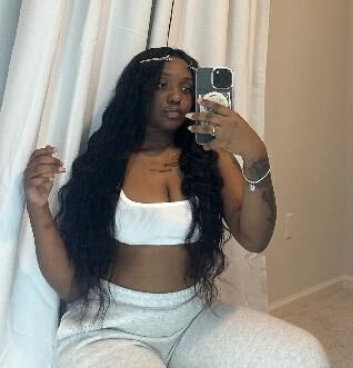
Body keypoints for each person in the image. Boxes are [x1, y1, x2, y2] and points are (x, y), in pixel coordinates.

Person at [24, 47, 329, 367]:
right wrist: (37, 203)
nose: (176, 97)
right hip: (111, 328)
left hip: (193, 320)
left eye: (186, 88)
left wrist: (255, 155)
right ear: (138, 90)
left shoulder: (210, 158)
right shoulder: (106, 164)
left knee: (304, 355)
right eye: (162, 85)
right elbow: (71, 287)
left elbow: (255, 238)